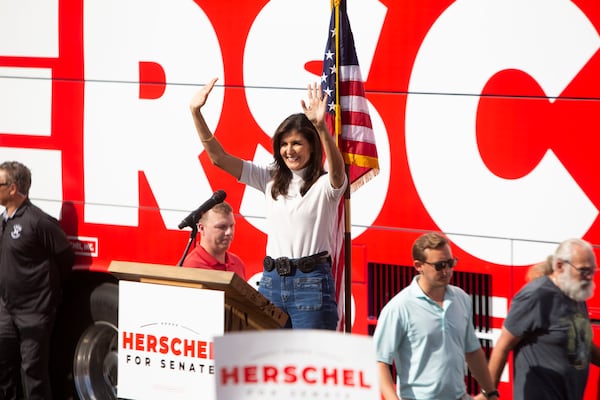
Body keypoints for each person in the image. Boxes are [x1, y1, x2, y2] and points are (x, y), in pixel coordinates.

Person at [189, 78, 347, 329]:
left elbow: (339, 174)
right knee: (273, 363)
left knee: (310, 363)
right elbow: (218, 158)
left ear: (312, 147)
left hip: (311, 284)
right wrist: (196, 113)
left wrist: (321, 128)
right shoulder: (269, 178)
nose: (289, 150)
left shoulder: (325, 185)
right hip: (272, 280)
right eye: (283, 144)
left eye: (296, 143)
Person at [373, 232, 499, 400]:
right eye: (440, 266)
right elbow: (379, 362)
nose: (447, 270)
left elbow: (472, 351)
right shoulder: (399, 307)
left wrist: (490, 392)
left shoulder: (461, 298)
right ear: (419, 265)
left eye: (450, 263)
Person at [487, 238, 600, 400]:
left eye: (592, 271)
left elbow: (584, 346)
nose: (589, 277)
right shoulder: (537, 295)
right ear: (560, 266)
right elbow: (502, 347)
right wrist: (488, 394)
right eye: (583, 271)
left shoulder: (576, 293)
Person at [0, 161, 75, 400]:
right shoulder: (4, 220)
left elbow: (65, 257)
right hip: (5, 309)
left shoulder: (38, 221)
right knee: (3, 366)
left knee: (33, 371)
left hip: (34, 310)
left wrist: (44, 294)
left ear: (13, 188)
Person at [182, 201, 246, 279]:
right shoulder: (192, 267)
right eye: (222, 227)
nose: (229, 232)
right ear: (202, 228)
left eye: (232, 226)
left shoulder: (237, 263)